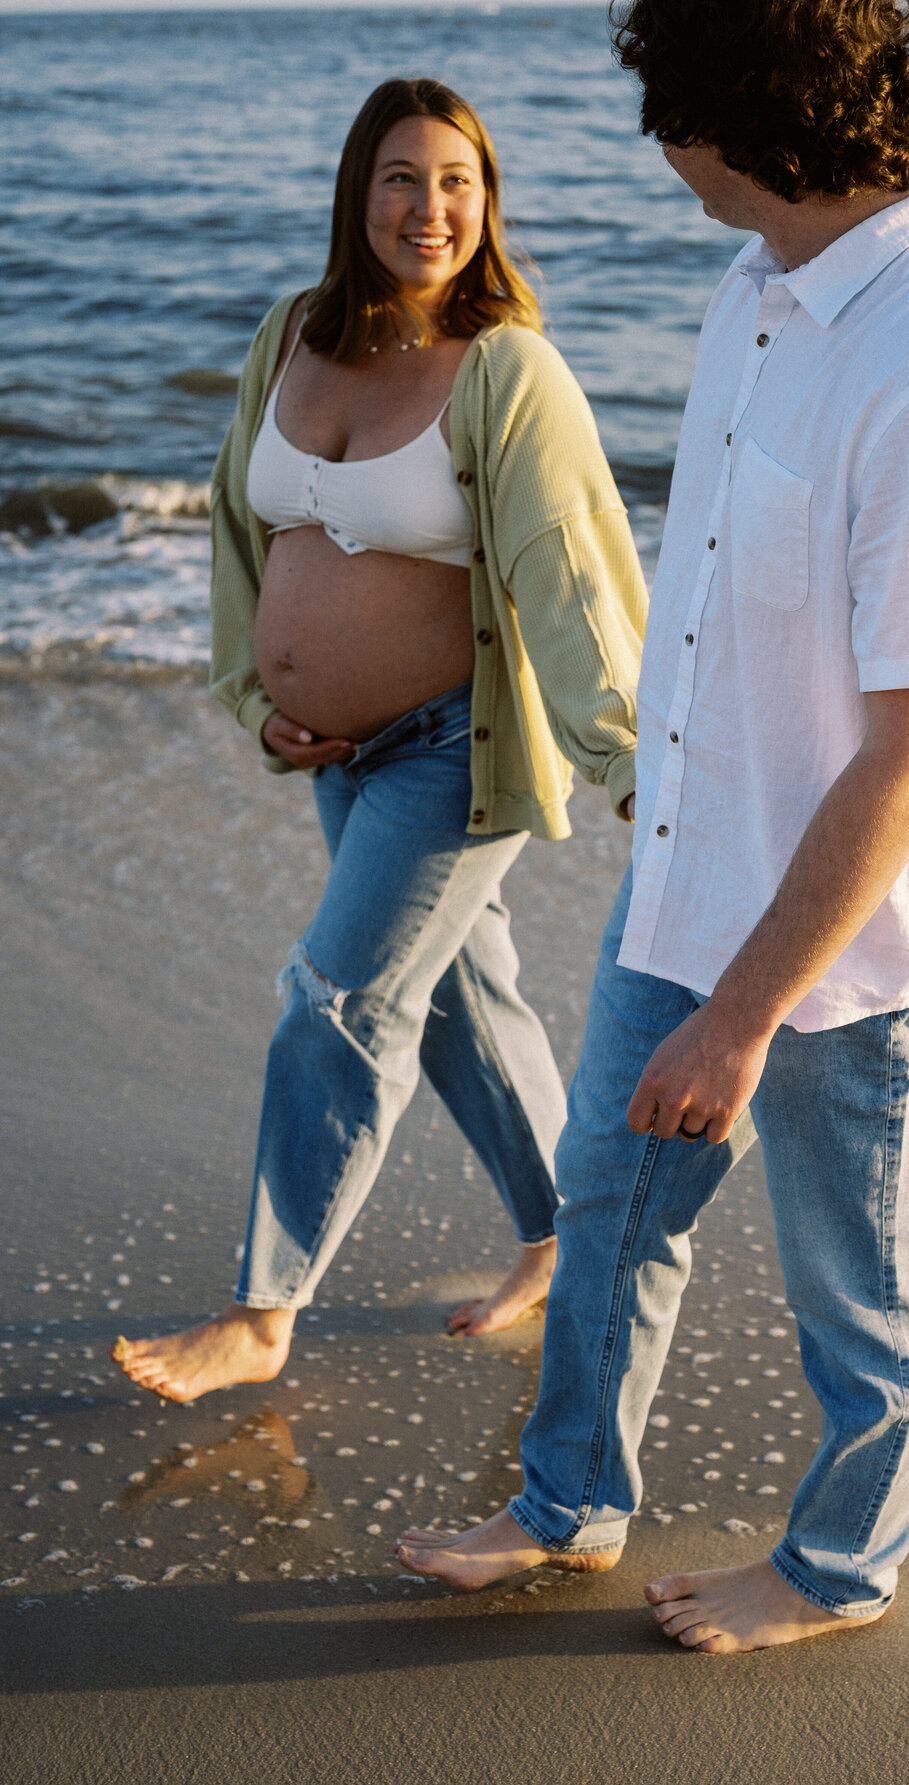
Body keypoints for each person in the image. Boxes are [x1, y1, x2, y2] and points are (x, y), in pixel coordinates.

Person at [394, 0, 909, 1654]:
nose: (661, 153)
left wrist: (746, 1012)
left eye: (674, 118)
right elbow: (708, 594)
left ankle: (840, 1571)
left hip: (849, 947)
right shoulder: (758, 289)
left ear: (751, 126)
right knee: (609, 1214)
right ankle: (567, 1507)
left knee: (862, 1296)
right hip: (689, 876)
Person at [111, 78, 646, 1403]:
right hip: (337, 756)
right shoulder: (294, 334)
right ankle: (564, 1234)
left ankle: (263, 1308)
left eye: (457, 180)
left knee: (342, 999)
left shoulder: (504, 365)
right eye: (403, 177)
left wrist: (631, 755)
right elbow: (250, 534)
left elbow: (567, 569)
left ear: (489, 201)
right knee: (464, 1000)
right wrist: (256, 696)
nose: (431, 207)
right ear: (359, 192)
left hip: (455, 750)